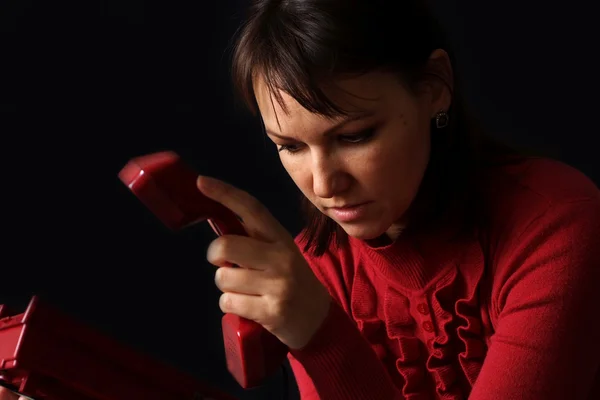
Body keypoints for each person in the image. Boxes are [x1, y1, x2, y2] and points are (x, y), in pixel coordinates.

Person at [199, 0, 600, 399]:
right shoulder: (314, 273)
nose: (324, 184)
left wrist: (321, 337)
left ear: (434, 88)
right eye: (290, 147)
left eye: (354, 136)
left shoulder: (556, 225)